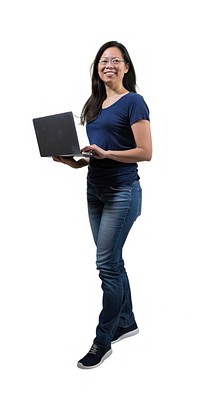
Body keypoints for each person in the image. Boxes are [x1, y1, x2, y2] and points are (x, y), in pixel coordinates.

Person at [53, 40, 152, 369]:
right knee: (113, 262)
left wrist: (108, 155)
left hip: (122, 193)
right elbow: (97, 151)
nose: (108, 64)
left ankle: (102, 339)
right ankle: (126, 320)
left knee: (106, 266)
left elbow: (145, 152)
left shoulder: (134, 102)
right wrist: (74, 162)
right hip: (94, 190)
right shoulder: (93, 104)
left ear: (126, 67)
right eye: (103, 60)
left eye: (116, 60)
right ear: (97, 67)